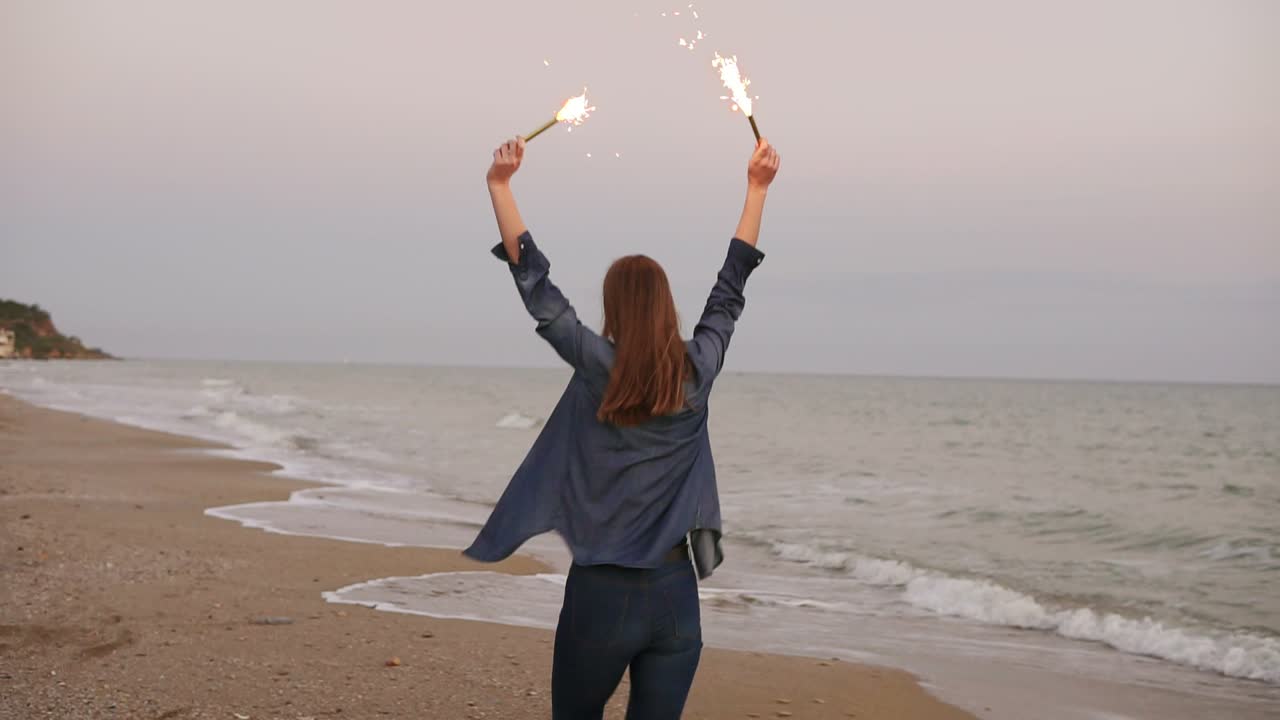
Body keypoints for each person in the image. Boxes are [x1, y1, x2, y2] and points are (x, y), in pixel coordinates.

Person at [464, 135, 781, 719]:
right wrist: (757, 188)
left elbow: (539, 292)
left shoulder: (598, 367)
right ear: (666, 307)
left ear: (614, 308)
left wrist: (500, 186)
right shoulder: (698, 370)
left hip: (601, 598)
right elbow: (730, 288)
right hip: (675, 598)